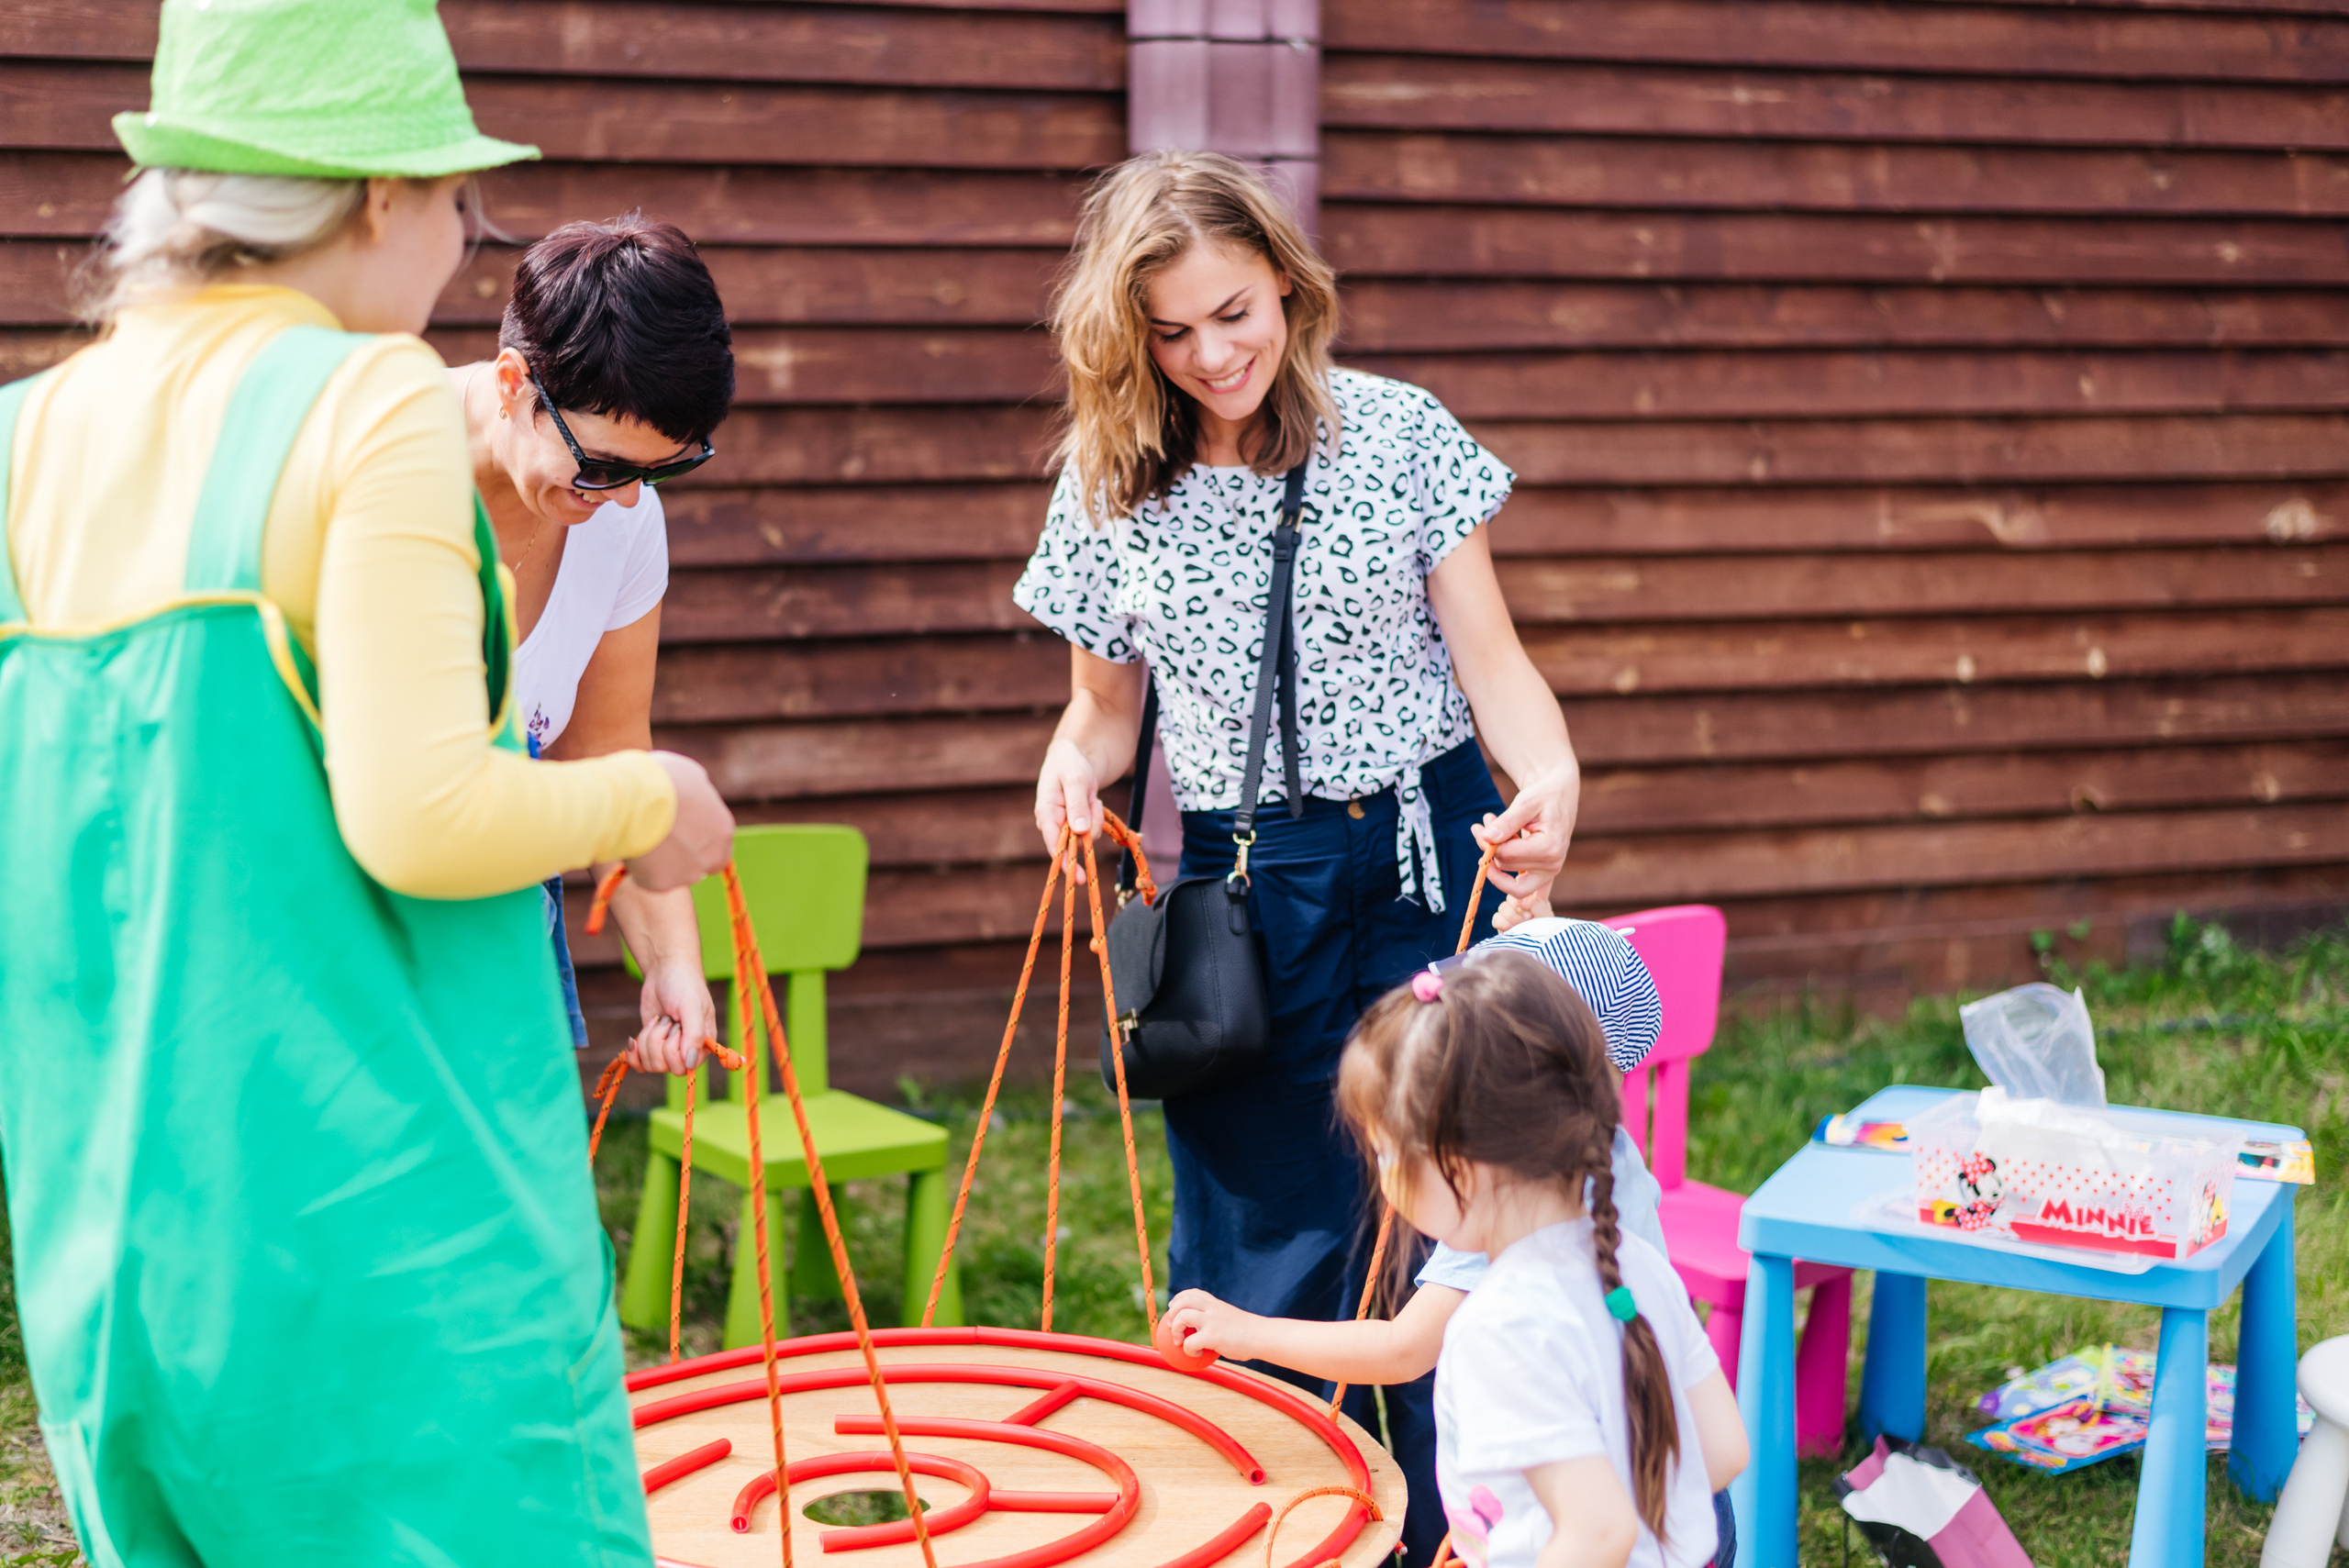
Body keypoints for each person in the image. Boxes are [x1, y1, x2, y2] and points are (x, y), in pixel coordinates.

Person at [0, 2, 732, 1562]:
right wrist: (654, 799)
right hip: (381, 1195)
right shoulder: (370, 403)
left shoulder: (28, 433)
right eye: (459, 200)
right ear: (384, 195)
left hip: (111, 1216)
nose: (462, 242)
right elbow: (423, 815)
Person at [1013, 149, 1582, 1563]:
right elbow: (1101, 714)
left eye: (1235, 313)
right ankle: (1287, 1535)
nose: (1214, 355)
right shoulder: (1109, 479)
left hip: (1427, 851)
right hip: (1243, 891)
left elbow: (1493, 663)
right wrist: (1070, 771)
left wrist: (1554, 778)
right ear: (1129, 336)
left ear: (1286, 279)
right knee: (1263, 1231)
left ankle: (1467, 1532)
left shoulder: (1400, 434)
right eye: (1173, 332)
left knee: (1459, 1210)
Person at [1346, 952, 1747, 1568]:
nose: (1381, 1174)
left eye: (1386, 1151)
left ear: (1460, 1166)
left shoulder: (1497, 1327)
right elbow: (1723, 1450)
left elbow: (1598, 1534)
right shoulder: (1635, 1262)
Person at [450, 215, 734, 1062]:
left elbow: (607, 750)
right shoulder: (377, 475)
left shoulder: (623, 518)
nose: (626, 498)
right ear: (513, 384)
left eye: (660, 468)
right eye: (603, 464)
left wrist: (672, 958)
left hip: (499, 927)